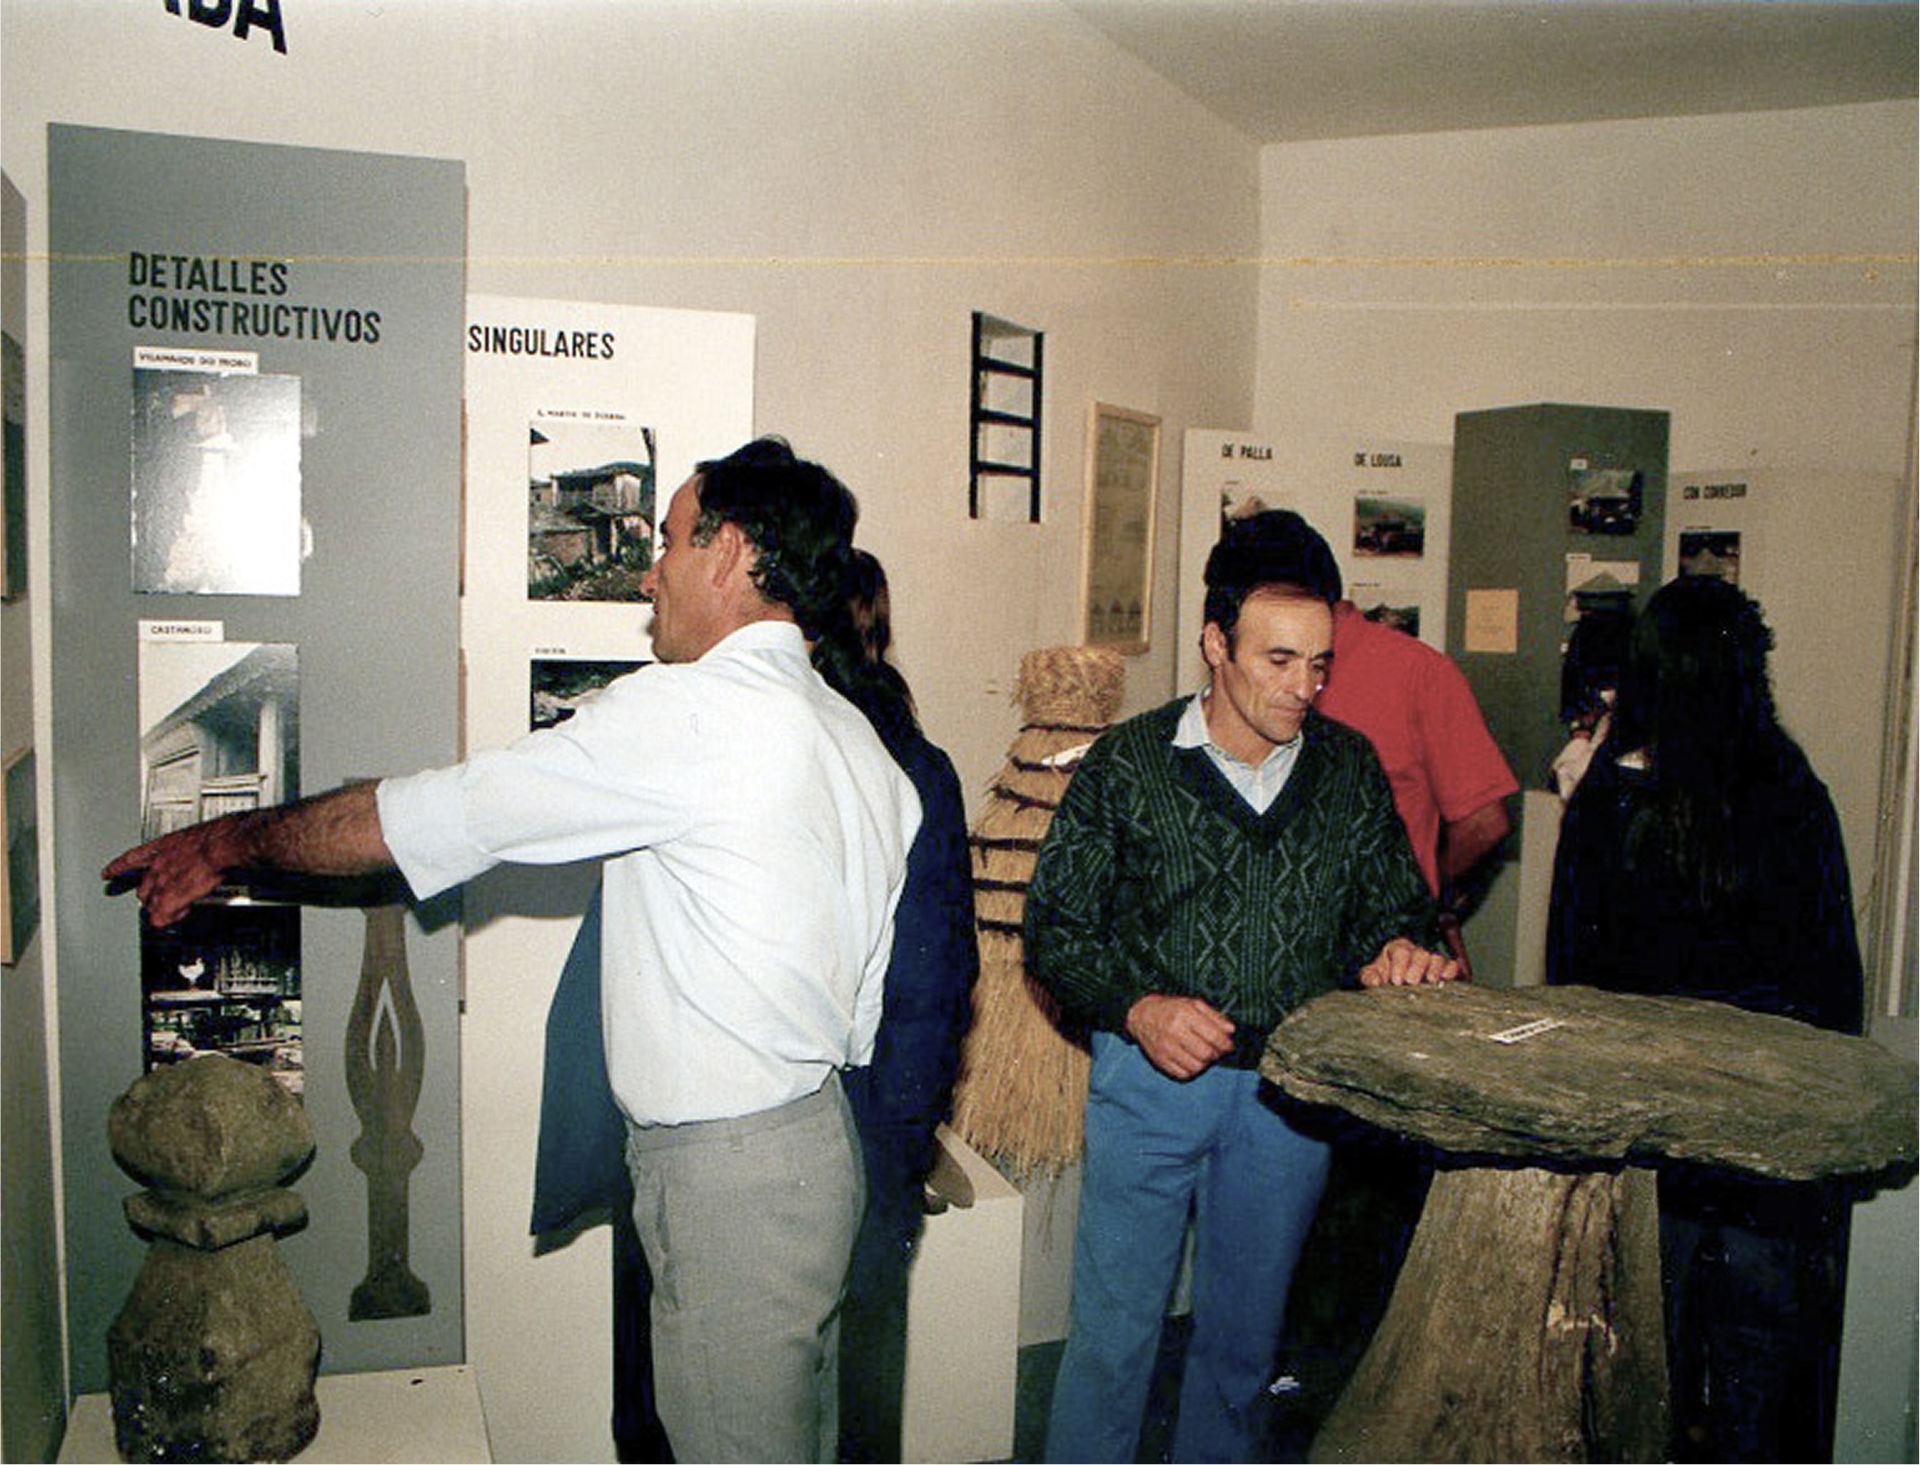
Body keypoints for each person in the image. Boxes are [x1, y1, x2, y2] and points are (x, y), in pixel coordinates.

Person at [103, 437, 921, 1465]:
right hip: (815, 1147)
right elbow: (861, 1008)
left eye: (669, 540)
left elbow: (435, 818)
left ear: (731, 554)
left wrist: (225, 839)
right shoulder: (856, 739)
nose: (648, 569)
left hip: (730, 1181)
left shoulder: (695, 715)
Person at [1025, 524, 1460, 1464]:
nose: (1302, 687)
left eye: (1318, 663)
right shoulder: (1130, 764)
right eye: (1276, 658)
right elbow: (1056, 927)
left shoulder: (1347, 769)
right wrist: (1139, 1007)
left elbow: (1400, 910)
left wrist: (1398, 950)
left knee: (1240, 1352)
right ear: (1214, 644)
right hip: (1148, 1084)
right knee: (1112, 1340)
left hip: (1288, 1100)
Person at [1546, 575, 1863, 1463]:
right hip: (1767, 1126)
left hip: (1649, 1130)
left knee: (1643, 1348)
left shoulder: (1613, 803)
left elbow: (1574, 970)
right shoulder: (1794, 796)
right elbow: (1834, 978)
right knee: (1760, 1351)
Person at [815, 549, 979, 1464]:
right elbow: (944, 984)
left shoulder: (901, 767)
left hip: (854, 1115)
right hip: (875, 1118)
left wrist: (896, 1143)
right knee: (859, 1378)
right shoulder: (918, 762)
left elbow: (931, 980)